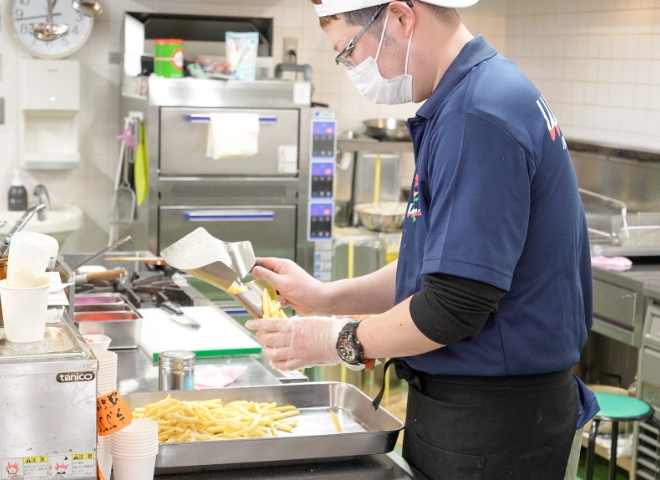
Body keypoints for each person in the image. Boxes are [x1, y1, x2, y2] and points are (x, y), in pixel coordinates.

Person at [246, 1, 599, 478]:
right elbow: (443, 265)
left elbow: (454, 304)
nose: (352, 66)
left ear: (400, 17)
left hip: (492, 426)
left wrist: (340, 339)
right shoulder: (479, 92)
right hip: (484, 412)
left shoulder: (476, 115)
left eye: (348, 49)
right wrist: (325, 297)